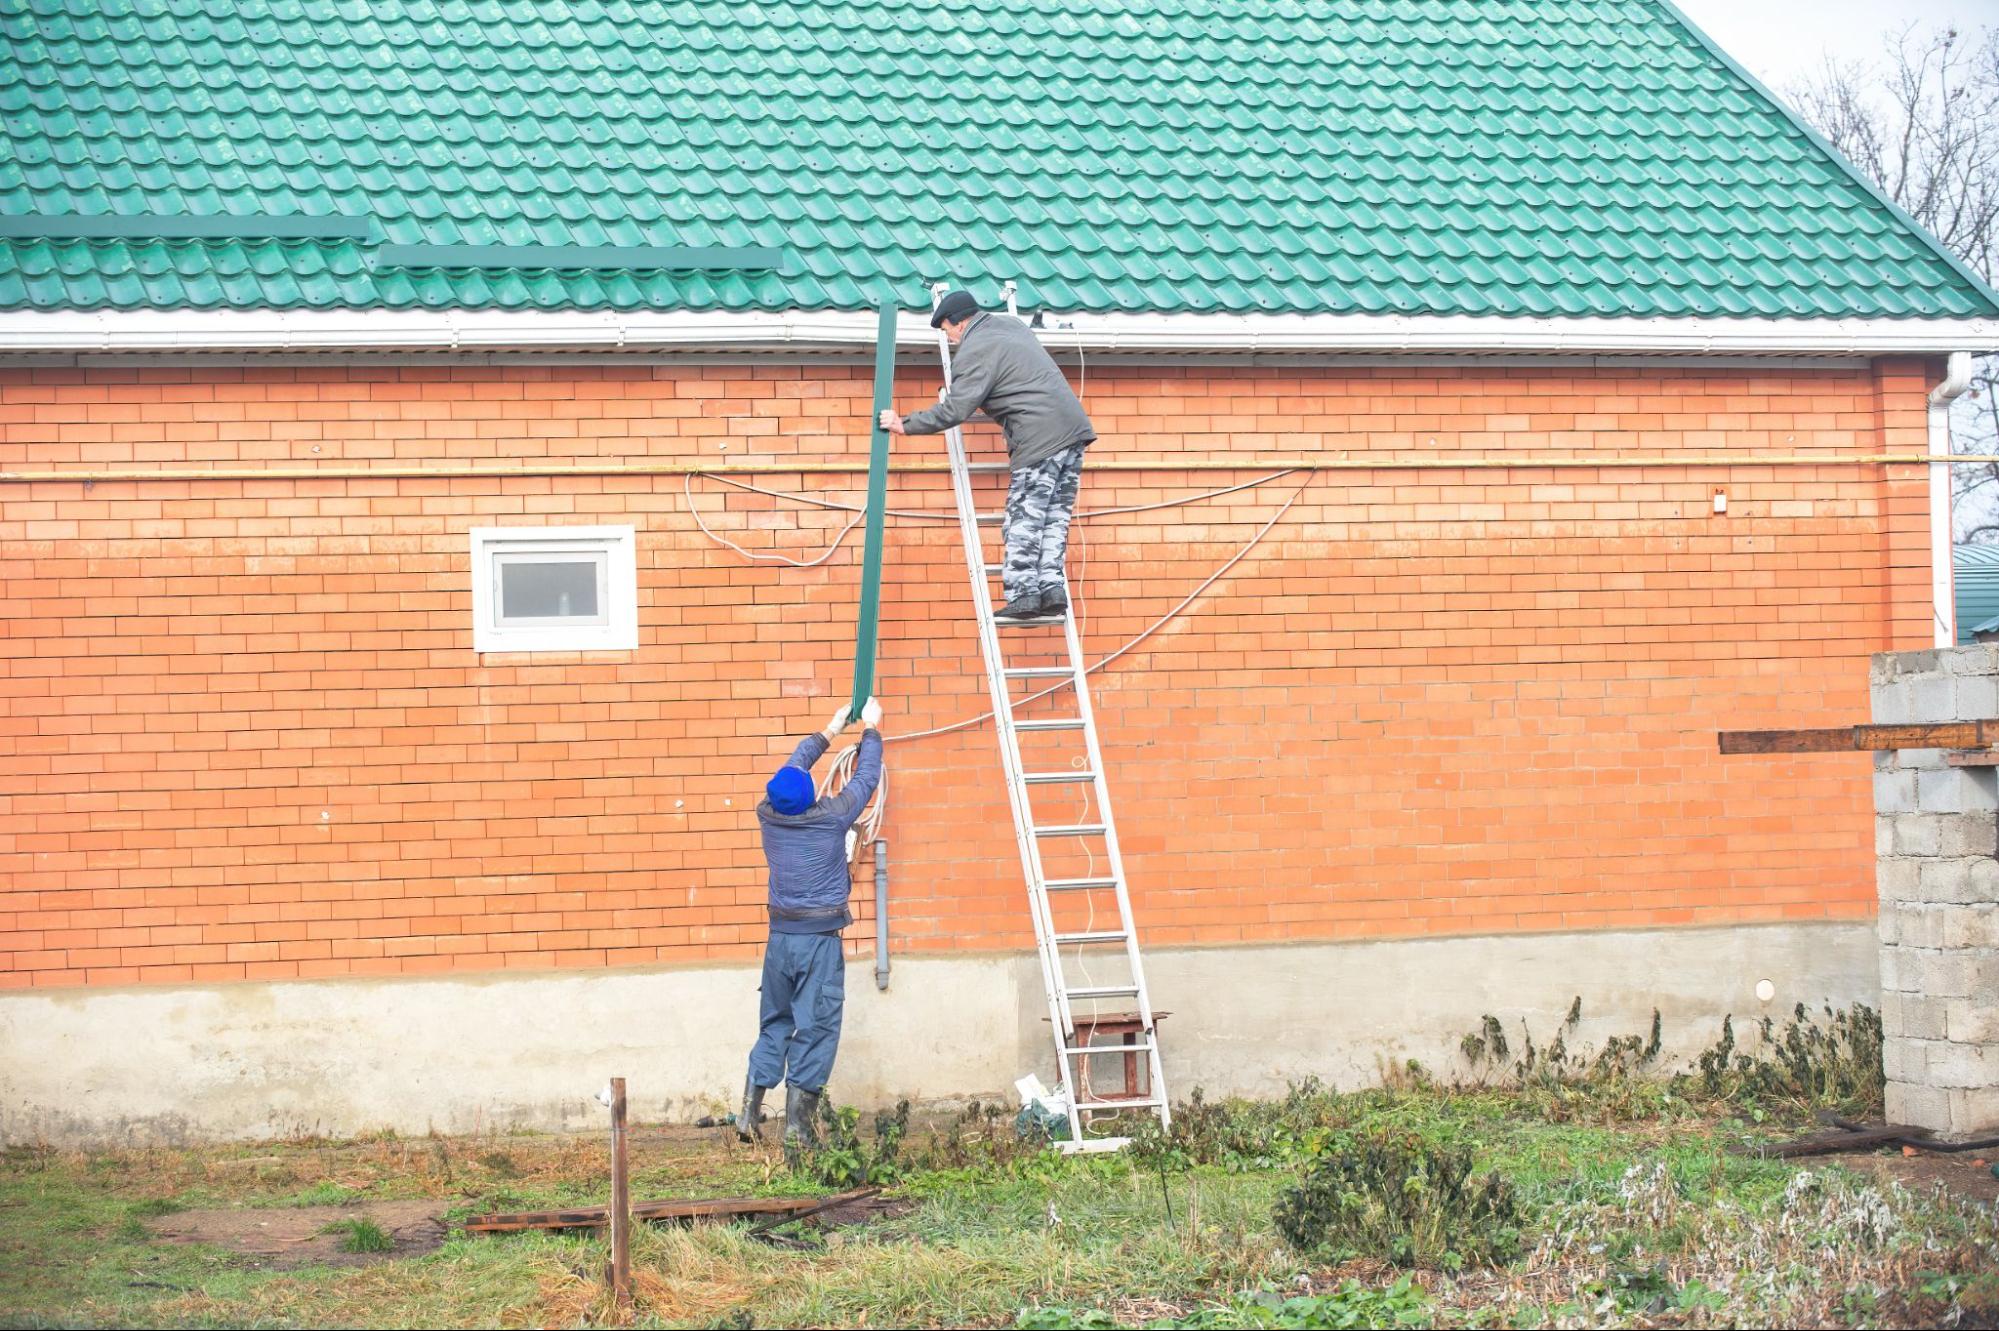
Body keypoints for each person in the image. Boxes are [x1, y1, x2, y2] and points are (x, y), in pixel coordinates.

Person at [879, 290, 1096, 623]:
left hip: (1039, 437)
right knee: (1053, 517)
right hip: (1073, 431)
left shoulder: (975, 349)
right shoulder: (1011, 325)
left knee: (1024, 518)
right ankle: (1052, 589)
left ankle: (1024, 594)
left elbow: (956, 408)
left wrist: (904, 424)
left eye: (947, 331)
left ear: (958, 322)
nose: (949, 339)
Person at [739, 695, 884, 1152]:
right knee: (816, 1027)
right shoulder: (831, 818)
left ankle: (749, 1109)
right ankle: (798, 1129)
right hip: (818, 942)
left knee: (775, 1024)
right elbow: (865, 779)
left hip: (779, 940)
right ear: (809, 797)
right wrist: (872, 730)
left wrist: (829, 730)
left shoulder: (768, 814)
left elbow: (792, 770)